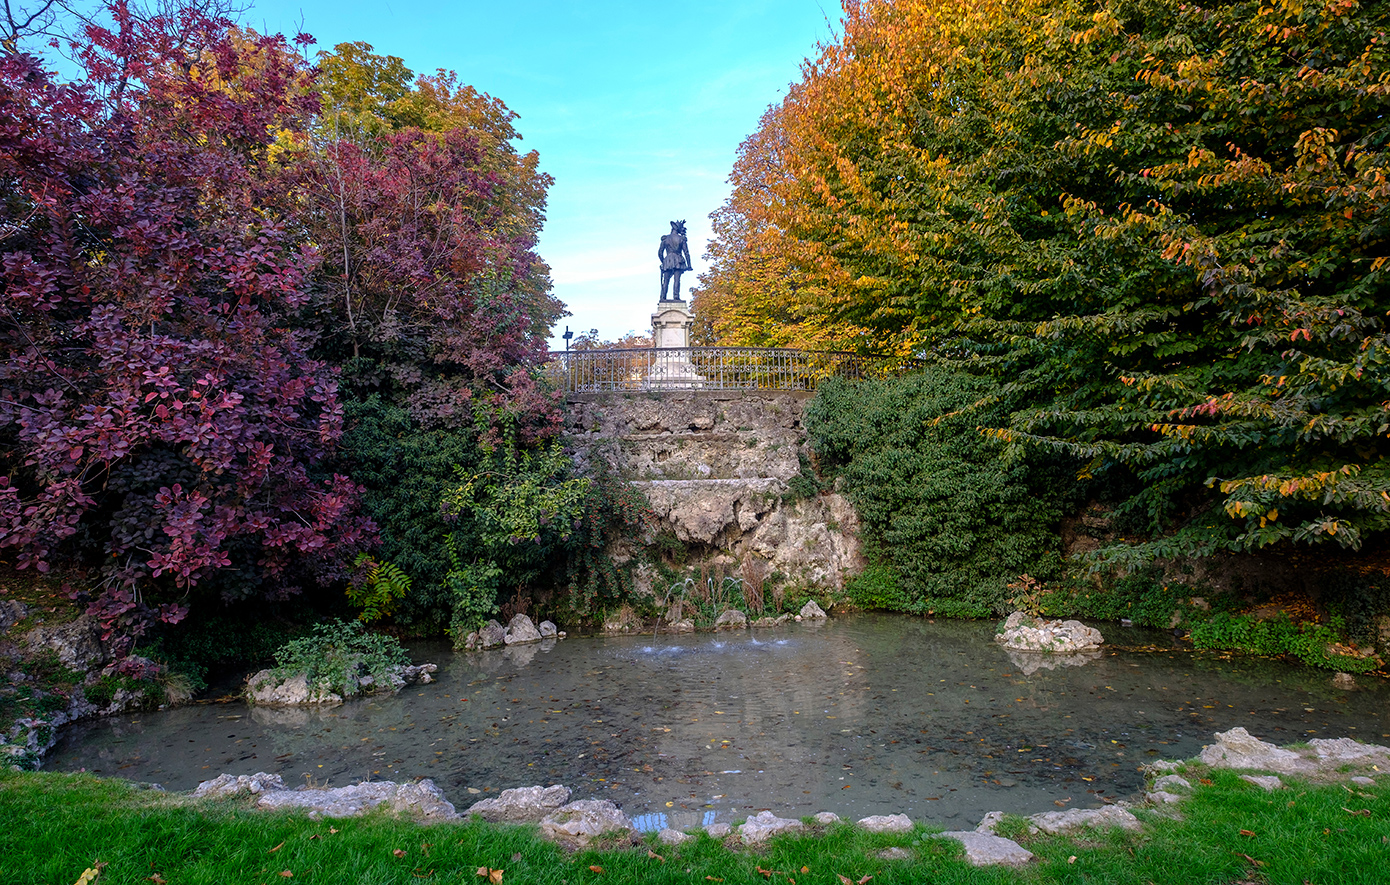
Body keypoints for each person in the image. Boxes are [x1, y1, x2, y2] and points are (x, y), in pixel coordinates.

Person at [658, 220, 692, 301]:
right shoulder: (681, 239)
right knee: (677, 279)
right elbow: (686, 252)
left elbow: (660, 253)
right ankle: (676, 296)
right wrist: (689, 265)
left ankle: (663, 297)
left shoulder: (665, 239)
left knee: (666, 280)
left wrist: (664, 262)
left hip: (668, 260)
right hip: (678, 259)